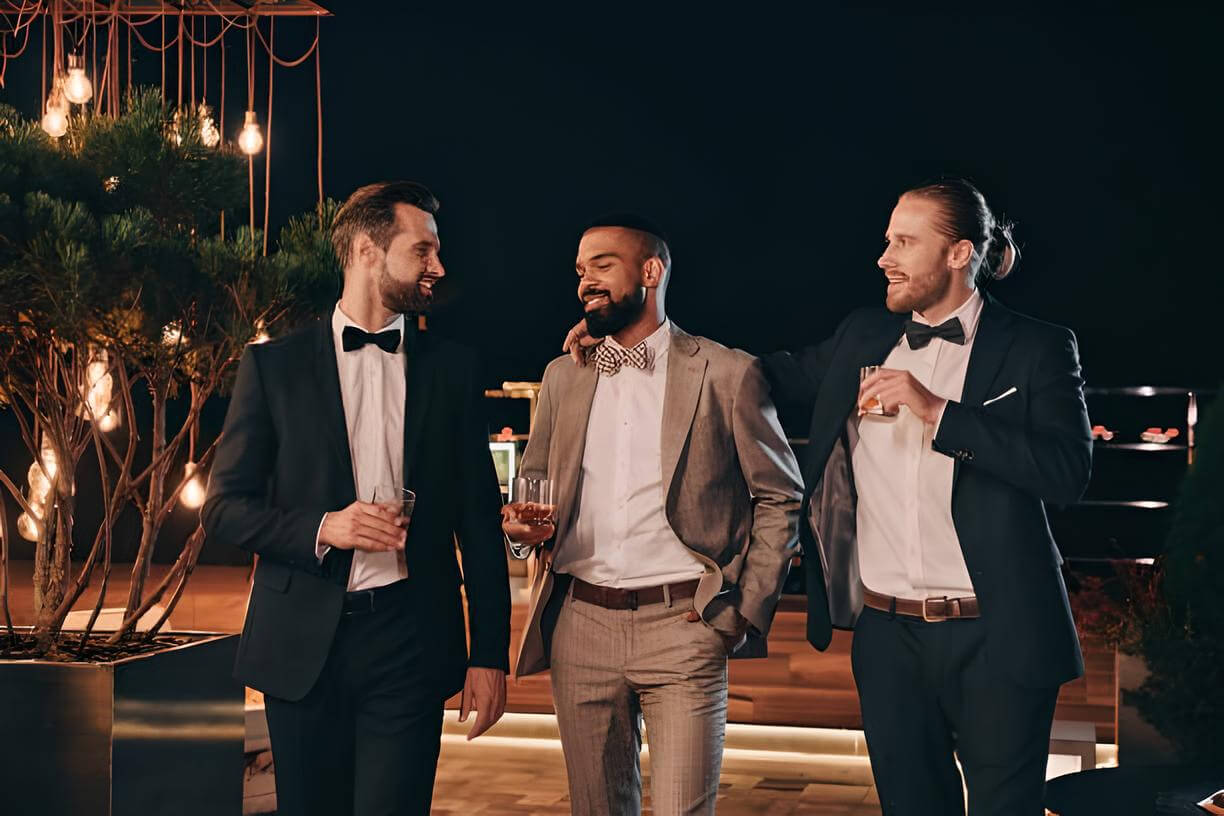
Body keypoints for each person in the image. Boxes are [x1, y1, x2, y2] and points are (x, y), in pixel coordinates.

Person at [764, 179, 1093, 815]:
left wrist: (939, 411)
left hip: (998, 631)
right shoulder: (860, 336)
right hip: (887, 636)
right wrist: (639, 344)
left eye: (904, 242)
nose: (884, 257)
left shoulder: (1036, 346)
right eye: (888, 240)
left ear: (958, 253)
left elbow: (1067, 471)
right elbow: (757, 376)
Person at [202, 181, 510, 815]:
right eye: (423, 250)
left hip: (410, 639)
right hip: (300, 646)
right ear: (369, 249)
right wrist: (325, 527)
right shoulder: (272, 369)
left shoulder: (452, 370)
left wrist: (490, 654)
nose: (439, 267)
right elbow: (224, 507)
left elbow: (478, 520)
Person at [506, 214, 802, 816]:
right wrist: (519, 535)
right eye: (580, 270)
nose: (586, 279)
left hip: (684, 626)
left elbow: (781, 495)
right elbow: (532, 489)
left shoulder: (726, 373)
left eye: (602, 265)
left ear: (651, 271)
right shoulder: (563, 376)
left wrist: (743, 611)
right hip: (579, 625)